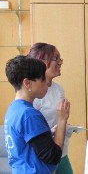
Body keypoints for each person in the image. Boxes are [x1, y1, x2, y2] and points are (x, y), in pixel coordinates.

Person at [4, 55, 70, 173]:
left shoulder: (13, 109)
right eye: (42, 79)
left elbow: (26, 145)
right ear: (27, 83)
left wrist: (47, 133)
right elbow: (53, 157)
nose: (47, 84)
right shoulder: (29, 115)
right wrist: (62, 120)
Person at [27, 43, 74, 174]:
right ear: (41, 61)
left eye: (60, 58)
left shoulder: (59, 89)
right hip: (44, 156)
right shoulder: (32, 93)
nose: (60, 62)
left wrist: (64, 125)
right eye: (56, 58)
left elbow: (59, 118)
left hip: (62, 153)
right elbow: (31, 130)